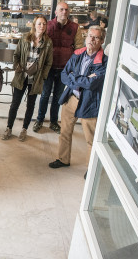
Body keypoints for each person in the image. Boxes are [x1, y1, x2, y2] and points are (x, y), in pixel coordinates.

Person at [48, 26, 107, 171]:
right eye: (89, 36)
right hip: (72, 98)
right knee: (65, 132)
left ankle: (90, 169)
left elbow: (92, 84)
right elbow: (64, 75)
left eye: (96, 37)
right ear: (85, 37)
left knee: (91, 139)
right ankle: (63, 159)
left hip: (89, 102)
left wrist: (74, 76)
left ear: (102, 41)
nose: (91, 40)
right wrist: (82, 78)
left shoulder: (104, 61)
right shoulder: (77, 54)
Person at [33, 2, 84, 134]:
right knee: (44, 95)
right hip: (48, 67)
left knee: (58, 97)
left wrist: (74, 67)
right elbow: (39, 41)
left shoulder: (75, 28)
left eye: (66, 10)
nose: (64, 12)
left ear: (69, 12)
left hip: (65, 69)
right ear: (56, 12)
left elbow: (78, 49)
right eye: (61, 9)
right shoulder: (48, 25)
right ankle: (39, 120)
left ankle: (54, 122)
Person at [2, 15, 53, 141]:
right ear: (34, 25)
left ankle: (24, 129)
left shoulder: (48, 42)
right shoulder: (25, 38)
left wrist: (43, 76)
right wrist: (17, 66)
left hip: (35, 79)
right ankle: (9, 128)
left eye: (44, 24)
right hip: (22, 75)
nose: (42, 26)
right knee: (15, 104)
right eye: (39, 24)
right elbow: (16, 55)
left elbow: (48, 63)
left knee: (30, 105)